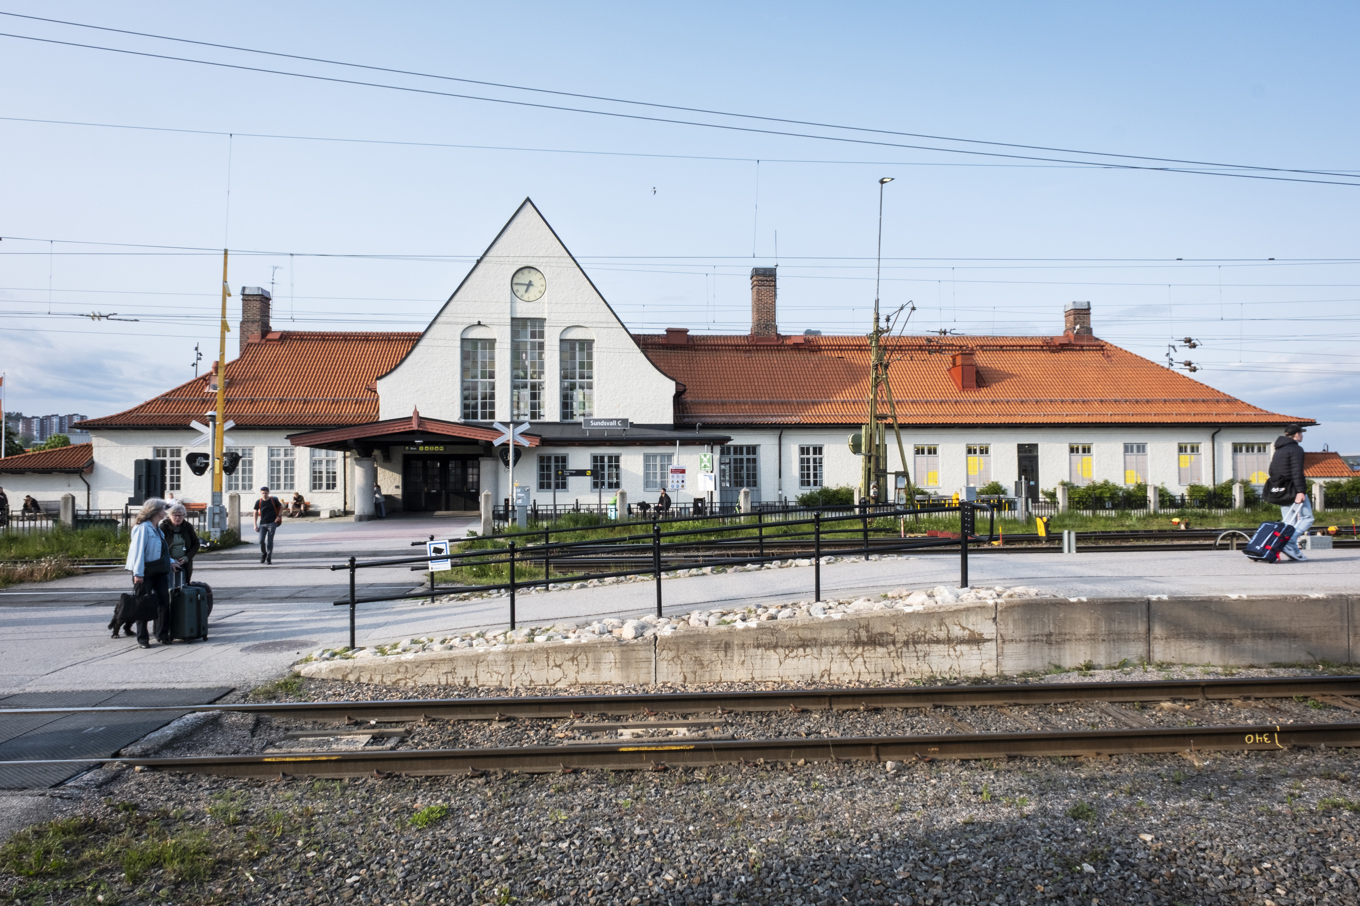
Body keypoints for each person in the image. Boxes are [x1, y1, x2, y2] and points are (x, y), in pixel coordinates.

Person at [124, 498, 171, 648]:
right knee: (143, 603)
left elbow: (162, 551)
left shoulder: (157, 528)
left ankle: (162, 634)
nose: (165, 512)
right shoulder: (142, 528)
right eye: (164, 509)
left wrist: (172, 562)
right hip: (144, 571)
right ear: (156, 511)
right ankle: (142, 638)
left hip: (159, 569)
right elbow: (137, 552)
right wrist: (138, 573)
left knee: (164, 601)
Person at [1266, 424, 1315, 562]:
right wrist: (1300, 491)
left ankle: (1291, 548)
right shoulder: (1296, 449)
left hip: (1282, 490)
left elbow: (1272, 471)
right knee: (1307, 518)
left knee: (1289, 521)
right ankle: (1289, 542)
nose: (1302, 436)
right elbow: (1297, 472)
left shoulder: (1278, 450)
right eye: (1301, 433)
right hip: (1293, 489)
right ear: (1296, 434)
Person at [159, 502, 201, 584]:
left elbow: (196, 544)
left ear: (184, 516)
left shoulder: (187, 526)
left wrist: (187, 558)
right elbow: (159, 546)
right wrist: (170, 560)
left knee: (182, 586)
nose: (177, 518)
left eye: (180, 515)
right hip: (167, 562)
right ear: (170, 516)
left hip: (184, 563)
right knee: (168, 586)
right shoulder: (164, 527)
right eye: (175, 515)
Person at [253, 486, 283, 565]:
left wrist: (279, 516)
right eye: (263, 493)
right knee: (261, 540)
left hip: (272, 523)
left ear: (268, 492)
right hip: (262, 524)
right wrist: (255, 524)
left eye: (266, 493)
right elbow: (255, 512)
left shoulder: (274, 500)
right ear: (260, 493)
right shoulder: (258, 502)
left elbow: (281, 507)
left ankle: (269, 557)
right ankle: (264, 553)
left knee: (270, 541)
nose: (264, 495)